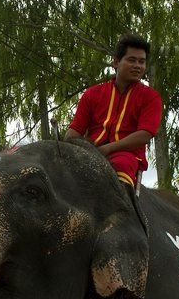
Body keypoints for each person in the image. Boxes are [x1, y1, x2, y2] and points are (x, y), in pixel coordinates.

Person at [65, 34, 162, 187]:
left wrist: (106, 149)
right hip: (89, 154)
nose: (138, 66)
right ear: (116, 62)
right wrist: (67, 145)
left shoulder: (151, 97)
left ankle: (123, 211)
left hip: (127, 157)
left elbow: (144, 134)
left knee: (121, 165)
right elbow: (75, 130)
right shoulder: (92, 94)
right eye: (132, 60)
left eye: (142, 62)